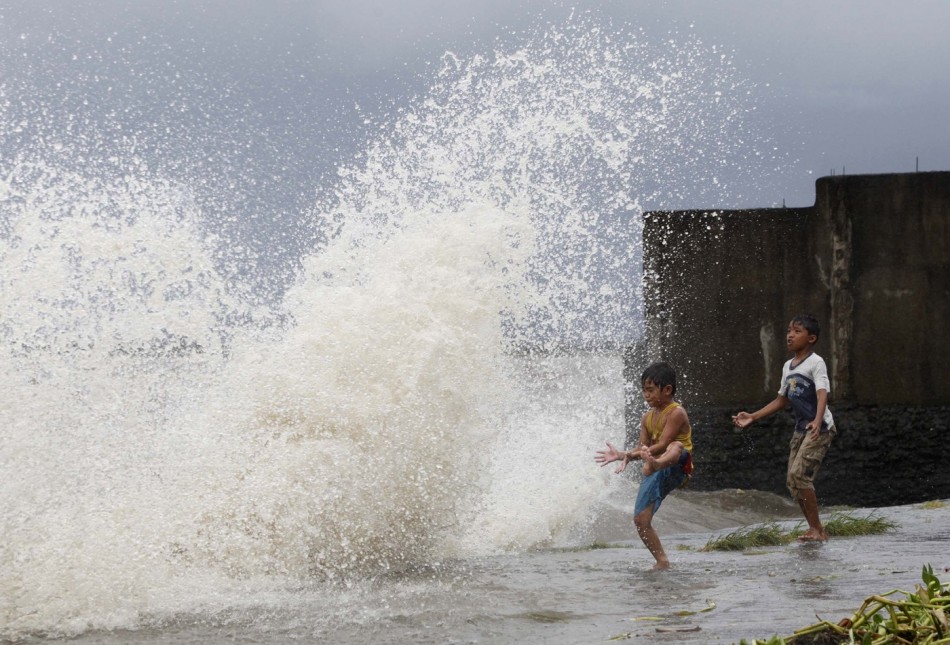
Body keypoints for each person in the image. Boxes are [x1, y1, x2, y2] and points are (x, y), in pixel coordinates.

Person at [732, 313, 836, 542]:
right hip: (801, 429)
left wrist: (818, 420)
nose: (790, 335)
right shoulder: (788, 366)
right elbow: (782, 399)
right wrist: (753, 416)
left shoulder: (816, 362)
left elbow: (822, 393)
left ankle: (818, 530)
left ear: (811, 338)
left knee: (799, 475)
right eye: (789, 331)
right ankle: (814, 529)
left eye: (797, 331)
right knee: (792, 481)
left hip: (820, 427)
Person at [595, 362, 693, 570]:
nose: (646, 395)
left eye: (650, 390)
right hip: (655, 466)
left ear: (667, 390)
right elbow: (643, 447)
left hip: (678, 465)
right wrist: (623, 455)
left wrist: (648, 459)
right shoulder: (646, 417)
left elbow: (664, 444)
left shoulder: (676, 412)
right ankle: (662, 561)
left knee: (674, 446)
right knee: (640, 520)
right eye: (644, 391)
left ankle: (655, 465)